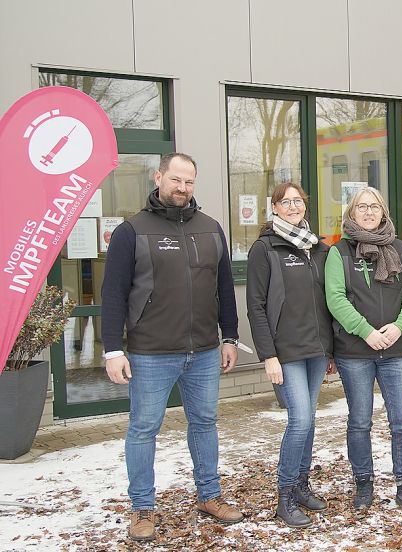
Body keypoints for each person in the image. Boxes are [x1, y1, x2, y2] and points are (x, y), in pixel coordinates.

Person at [102, 153, 243, 542]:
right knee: (144, 429)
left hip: (202, 351)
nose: (182, 188)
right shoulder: (132, 230)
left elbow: (225, 291)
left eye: (190, 182)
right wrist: (113, 348)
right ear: (159, 177)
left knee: (204, 424)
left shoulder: (211, 229)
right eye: (176, 180)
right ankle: (143, 508)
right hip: (150, 352)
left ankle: (209, 496)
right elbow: (113, 293)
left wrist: (228, 337)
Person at [324, 187, 402, 513]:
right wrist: (366, 331)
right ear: (352, 214)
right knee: (360, 421)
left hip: (394, 349)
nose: (368, 212)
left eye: (374, 207)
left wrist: (398, 326)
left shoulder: (398, 248)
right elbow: (335, 299)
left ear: (383, 213)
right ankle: (363, 482)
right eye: (362, 207)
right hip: (355, 351)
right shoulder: (339, 252)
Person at [246, 182, 333, 528]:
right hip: (286, 352)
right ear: (275, 207)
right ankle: (284, 496)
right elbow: (255, 306)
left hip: (316, 349)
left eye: (298, 201)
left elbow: (327, 302)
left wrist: (331, 351)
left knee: (309, 420)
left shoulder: (318, 248)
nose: (293, 206)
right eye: (286, 202)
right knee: (299, 420)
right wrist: (268, 355)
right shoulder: (265, 249)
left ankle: (300, 485)